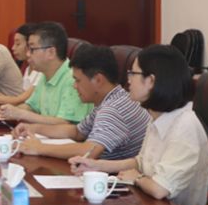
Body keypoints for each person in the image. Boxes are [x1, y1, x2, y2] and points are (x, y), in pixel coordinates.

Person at [69, 45, 208, 205]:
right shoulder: (157, 116)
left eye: (133, 74)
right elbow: (140, 162)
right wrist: (96, 165)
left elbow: (160, 189)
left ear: (151, 81)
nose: (128, 79)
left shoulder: (185, 126)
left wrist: (137, 178)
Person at [14, 44, 149, 161]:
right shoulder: (114, 98)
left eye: (78, 80)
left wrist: (39, 148)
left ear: (98, 80)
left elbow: (89, 151)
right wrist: (33, 128)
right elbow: (77, 132)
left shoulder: (113, 109)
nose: (74, 86)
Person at [0, 22, 93, 125]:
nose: (28, 54)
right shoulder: (45, 75)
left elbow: (65, 124)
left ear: (51, 52)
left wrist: (21, 114)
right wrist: (8, 111)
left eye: (32, 49)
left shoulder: (73, 80)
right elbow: (31, 106)